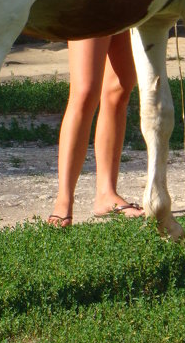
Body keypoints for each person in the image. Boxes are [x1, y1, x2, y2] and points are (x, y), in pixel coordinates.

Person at [48, 31, 145, 227]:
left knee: (119, 88)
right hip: (89, 2)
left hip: (124, 2)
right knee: (85, 91)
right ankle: (63, 201)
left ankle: (106, 194)